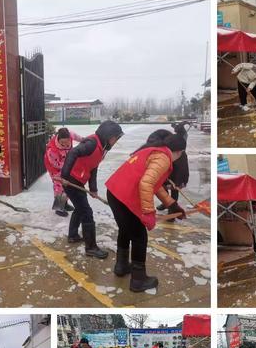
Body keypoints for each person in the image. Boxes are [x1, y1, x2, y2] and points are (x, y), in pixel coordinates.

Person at [105, 133, 187, 292]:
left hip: (115, 192)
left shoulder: (153, 151)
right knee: (139, 236)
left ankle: (121, 266)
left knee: (126, 230)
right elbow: (147, 183)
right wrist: (148, 212)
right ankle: (138, 280)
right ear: (179, 151)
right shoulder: (163, 158)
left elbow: (154, 184)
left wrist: (171, 204)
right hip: (124, 196)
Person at [61, 120, 124, 258]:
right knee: (86, 212)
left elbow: (93, 166)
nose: (115, 141)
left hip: (77, 180)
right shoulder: (92, 143)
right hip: (71, 181)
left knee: (80, 208)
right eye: (115, 138)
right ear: (108, 135)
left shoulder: (101, 148)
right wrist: (64, 176)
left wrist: (93, 188)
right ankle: (91, 248)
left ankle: (73, 235)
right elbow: (72, 153)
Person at [44, 127, 84, 216]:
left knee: (67, 184)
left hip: (66, 164)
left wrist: (85, 140)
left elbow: (79, 138)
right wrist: (68, 165)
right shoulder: (52, 150)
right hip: (55, 168)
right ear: (59, 140)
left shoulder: (70, 134)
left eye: (67, 142)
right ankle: (58, 207)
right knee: (59, 185)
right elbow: (55, 163)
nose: (65, 145)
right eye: (63, 143)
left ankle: (64, 204)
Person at [156, 122, 190, 221]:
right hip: (167, 172)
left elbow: (183, 171)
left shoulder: (180, 154)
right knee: (162, 187)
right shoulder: (170, 144)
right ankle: (166, 202)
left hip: (176, 175)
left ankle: (172, 210)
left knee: (174, 189)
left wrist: (178, 182)